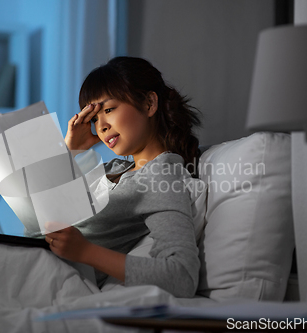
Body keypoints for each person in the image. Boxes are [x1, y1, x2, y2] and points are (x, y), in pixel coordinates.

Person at [44, 56, 203, 298]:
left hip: (55, 279)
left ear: (149, 103)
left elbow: (182, 276)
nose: (101, 126)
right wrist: (69, 150)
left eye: (108, 110)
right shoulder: (113, 168)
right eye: (95, 118)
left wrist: (85, 252)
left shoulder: (161, 176)